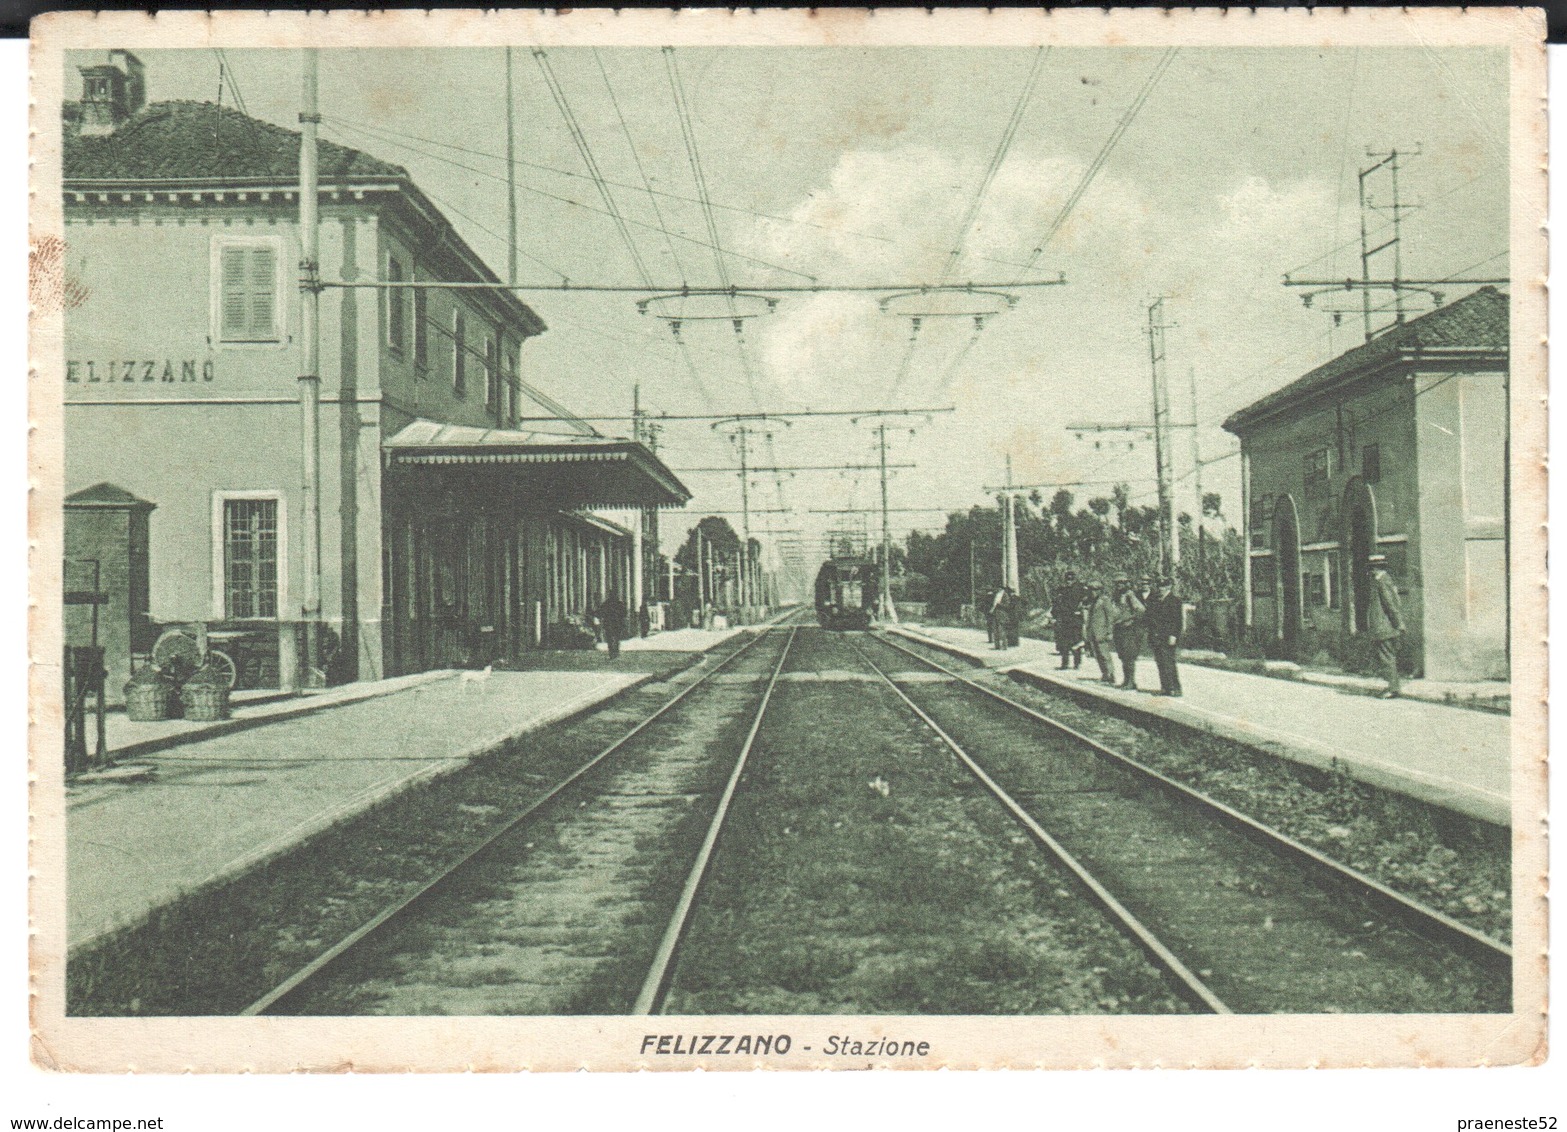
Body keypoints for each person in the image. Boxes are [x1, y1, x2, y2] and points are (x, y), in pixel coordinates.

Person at [1367, 553, 1404, 698]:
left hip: (1385, 627)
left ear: (1378, 568)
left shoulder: (1382, 582)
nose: (1371, 571)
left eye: (1372, 568)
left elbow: (1390, 605)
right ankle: (1392, 686)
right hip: (1384, 627)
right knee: (1386, 657)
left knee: (1387, 657)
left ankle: (1393, 689)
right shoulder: (1382, 581)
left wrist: (1398, 623)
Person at [1146, 576, 1184, 697]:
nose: (1161, 589)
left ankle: (1175, 688)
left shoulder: (1174, 601)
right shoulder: (1155, 600)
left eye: (1163, 586)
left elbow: (1177, 620)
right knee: (1160, 662)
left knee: (1169, 662)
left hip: (1168, 636)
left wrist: (1174, 635)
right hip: (1156, 636)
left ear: (1169, 587)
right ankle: (1165, 687)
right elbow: (1150, 618)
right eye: (1159, 586)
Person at [1110, 575, 1146, 690]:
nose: (1119, 585)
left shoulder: (1130, 595)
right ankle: (1126, 680)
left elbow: (1140, 610)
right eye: (1117, 583)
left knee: (1129, 656)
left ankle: (1131, 681)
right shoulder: (1116, 595)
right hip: (1119, 628)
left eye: (1121, 583)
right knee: (1122, 656)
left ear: (1126, 584)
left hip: (1129, 629)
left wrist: (1129, 619)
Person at [1052, 570, 1090, 670]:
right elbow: (1056, 603)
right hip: (1064, 619)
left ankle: (1076, 663)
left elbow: (1087, 599)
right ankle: (1064, 663)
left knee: (1076, 642)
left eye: (1071, 579)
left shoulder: (1080, 589)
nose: (1069, 581)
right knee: (1064, 643)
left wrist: (1081, 608)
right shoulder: (1062, 590)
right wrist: (1055, 615)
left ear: (1074, 579)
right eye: (1067, 579)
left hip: (1075, 619)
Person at [1085, 581, 1117, 685]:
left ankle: (1111, 675)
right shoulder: (1092, 602)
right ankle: (1104, 674)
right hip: (1093, 632)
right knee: (1097, 654)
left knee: (1104, 654)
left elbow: (1110, 617)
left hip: (1102, 632)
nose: (1093, 592)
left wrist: (1109, 632)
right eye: (1091, 590)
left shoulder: (1105, 600)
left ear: (1100, 590)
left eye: (1095, 590)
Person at [596, 591, 628, 660]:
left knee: (610, 639)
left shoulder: (606, 604)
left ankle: (611, 653)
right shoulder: (619, 604)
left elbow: (600, 613)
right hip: (617, 624)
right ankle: (616, 652)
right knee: (616, 638)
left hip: (608, 624)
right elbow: (624, 613)